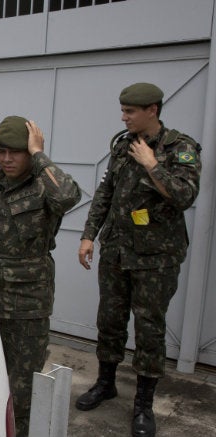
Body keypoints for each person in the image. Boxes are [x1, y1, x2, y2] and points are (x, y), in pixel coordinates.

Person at [76, 83, 202, 437]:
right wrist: (88, 235)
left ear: (152, 110)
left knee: (149, 328)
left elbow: (184, 195)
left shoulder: (181, 148)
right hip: (116, 250)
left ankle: (144, 405)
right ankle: (106, 383)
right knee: (110, 320)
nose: (123, 116)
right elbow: (105, 193)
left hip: (155, 258)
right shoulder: (121, 146)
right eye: (122, 110)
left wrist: (152, 165)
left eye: (130, 111)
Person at [0, 116, 81, 437]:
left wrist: (39, 156)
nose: (7, 159)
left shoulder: (44, 186)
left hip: (27, 306)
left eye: (17, 153)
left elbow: (68, 197)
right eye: (2, 152)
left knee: (23, 390)